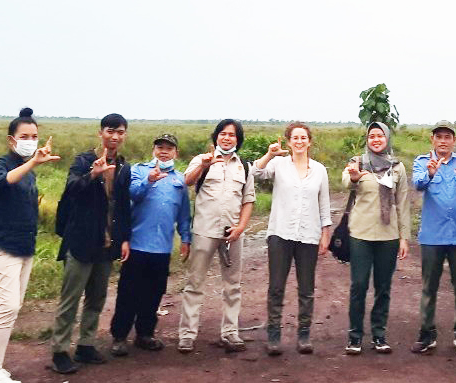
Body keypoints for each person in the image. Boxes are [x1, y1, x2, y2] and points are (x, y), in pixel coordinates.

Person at [0, 107, 61, 383]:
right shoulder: (3, 164)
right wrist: (33, 163)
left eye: (35, 136)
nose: (30, 141)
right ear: (11, 140)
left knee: (13, 309)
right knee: (6, 309)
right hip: (2, 248)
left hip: (25, 248)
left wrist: (33, 165)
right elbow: (2, 182)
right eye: (25, 136)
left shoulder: (28, 168)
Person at [47, 113, 131, 374]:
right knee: (70, 298)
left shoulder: (124, 166)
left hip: (107, 243)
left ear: (124, 135)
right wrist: (92, 174)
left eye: (119, 132)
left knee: (97, 297)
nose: (114, 136)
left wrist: (124, 238)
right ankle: (60, 350)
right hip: (81, 240)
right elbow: (72, 188)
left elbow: (123, 206)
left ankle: (85, 345)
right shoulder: (84, 160)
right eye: (110, 131)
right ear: (100, 133)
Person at [252, 122, 331, 356]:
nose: (299, 142)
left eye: (303, 138)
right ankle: (274, 336)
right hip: (280, 233)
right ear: (288, 142)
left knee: (306, 288)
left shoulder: (319, 170)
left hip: (308, 234)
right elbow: (255, 173)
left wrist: (325, 233)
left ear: (309, 141)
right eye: (294, 138)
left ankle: (304, 336)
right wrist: (269, 154)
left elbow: (324, 204)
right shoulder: (278, 164)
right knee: (276, 287)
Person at [109, 134, 192, 356]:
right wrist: (150, 180)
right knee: (128, 293)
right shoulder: (138, 171)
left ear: (176, 153)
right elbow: (131, 195)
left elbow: (184, 214)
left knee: (154, 293)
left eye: (169, 148)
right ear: (154, 150)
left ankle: (145, 334)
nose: (164, 152)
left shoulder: (180, 180)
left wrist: (185, 238)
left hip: (162, 248)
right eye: (160, 147)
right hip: (137, 244)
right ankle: (119, 336)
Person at [178, 119, 257, 353]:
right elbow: (185, 183)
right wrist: (203, 165)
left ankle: (231, 333)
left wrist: (241, 227)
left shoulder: (244, 166)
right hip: (204, 230)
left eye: (232, 135)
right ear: (216, 137)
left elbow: (248, 200)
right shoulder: (201, 160)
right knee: (194, 283)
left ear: (238, 140)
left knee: (232, 285)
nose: (227, 138)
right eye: (223, 134)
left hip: (232, 233)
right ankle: (187, 335)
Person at [410, 120, 456, 355]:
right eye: (438, 136)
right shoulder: (422, 162)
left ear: (454, 140)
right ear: (432, 140)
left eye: (447, 137)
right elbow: (418, 185)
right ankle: (426, 334)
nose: (443, 141)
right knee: (429, 287)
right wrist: (430, 173)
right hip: (432, 236)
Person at [341, 122, 411, 355]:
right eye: (372, 136)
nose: (376, 139)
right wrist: (353, 177)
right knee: (359, 285)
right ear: (367, 139)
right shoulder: (357, 162)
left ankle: (379, 335)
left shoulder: (397, 167)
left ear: (387, 138)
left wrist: (404, 237)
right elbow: (344, 183)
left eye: (380, 135)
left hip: (388, 236)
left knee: (383, 287)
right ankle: (355, 336)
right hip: (360, 234)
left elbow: (402, 204)